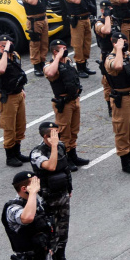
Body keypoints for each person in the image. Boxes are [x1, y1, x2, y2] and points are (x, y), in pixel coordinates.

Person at [29, 123, 80, 260]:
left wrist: (69, 188)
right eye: (54, 134)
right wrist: (53, 147)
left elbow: (65, 169)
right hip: (48, 199)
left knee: (63, 230)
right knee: (52, 232)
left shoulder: (61, 146)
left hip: (62, 195)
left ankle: (62, 259)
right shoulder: (37, 153)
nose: (58, 136)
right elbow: (51, 166)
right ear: (46, 137)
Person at [43, 40, 88, 173]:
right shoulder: (50, 64)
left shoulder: (67, 61)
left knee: (74, 130)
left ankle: (73, 155)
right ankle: (64, 159)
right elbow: (50, 74)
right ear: (55, 51)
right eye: (62, 49)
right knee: (64, 132)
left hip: (74, 100)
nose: (65, 50)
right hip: (63, 103)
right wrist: (57, 57)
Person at [104, 34, 130, 175]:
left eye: (126, 41)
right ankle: (125, 161)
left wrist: (123, 50)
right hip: (122, 99)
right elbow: (118, 66)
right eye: (122, 42)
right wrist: (119, 50)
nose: (125, 44)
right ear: (115, 43)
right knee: (122, 130)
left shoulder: (127, 54)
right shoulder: (110, 59)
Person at [2, 171, 56, 260]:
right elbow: (28, 218)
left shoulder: (34, 200)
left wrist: (48, 246)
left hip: (43, 255)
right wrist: (32, 193)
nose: (37, 186)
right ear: (24, 189)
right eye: (34, 184)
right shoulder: (12, 208)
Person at [0, 35, 30, 167]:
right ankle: (10, 156)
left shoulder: (16, 56)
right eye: (6, 44)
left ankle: (17, 152)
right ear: (0, 46)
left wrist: (22, 88)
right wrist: (5, 52)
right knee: (9, 128)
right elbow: (1, 69)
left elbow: (17, 73)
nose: (11, 46)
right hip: (7, 98)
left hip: (18, 94)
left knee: (20, 126)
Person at [62, 0, 95, 78]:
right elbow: (77, 0)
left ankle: (85, 65)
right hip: (77, 21)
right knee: (78, 44)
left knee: (86, 43)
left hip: (86, 19)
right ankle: (80, 68)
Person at [22, 0, 48, 77]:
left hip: (43, 19)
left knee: (44, 43)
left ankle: (42, 62)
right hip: (34, 21)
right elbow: (33, 2)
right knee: (35, 44)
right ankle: (37, 66)